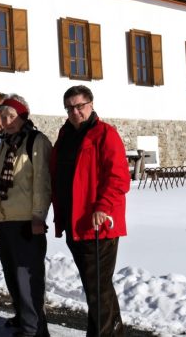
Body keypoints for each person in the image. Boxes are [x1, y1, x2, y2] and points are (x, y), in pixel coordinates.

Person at [50, 85, 129, 337]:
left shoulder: (105, 134)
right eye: (70, 107)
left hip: (99, 225)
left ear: (91, 105)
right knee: (97, 287)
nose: (75, 111)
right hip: (75, 223)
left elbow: (118, 177)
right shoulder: (64, 136)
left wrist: (103, 207)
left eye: (80, 106)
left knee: (97, 288)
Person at [0, 95, 52, 337]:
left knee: (27, 280)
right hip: (2, 219)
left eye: (12, 115)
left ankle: (34, 331)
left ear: (23, 116)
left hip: (25, 221)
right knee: (13, 276)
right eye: (3, 116)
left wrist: (38, 216)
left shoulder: (36, 141)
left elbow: (42, 183)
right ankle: (28, 324)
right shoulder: (5, 142)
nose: (7, 120)